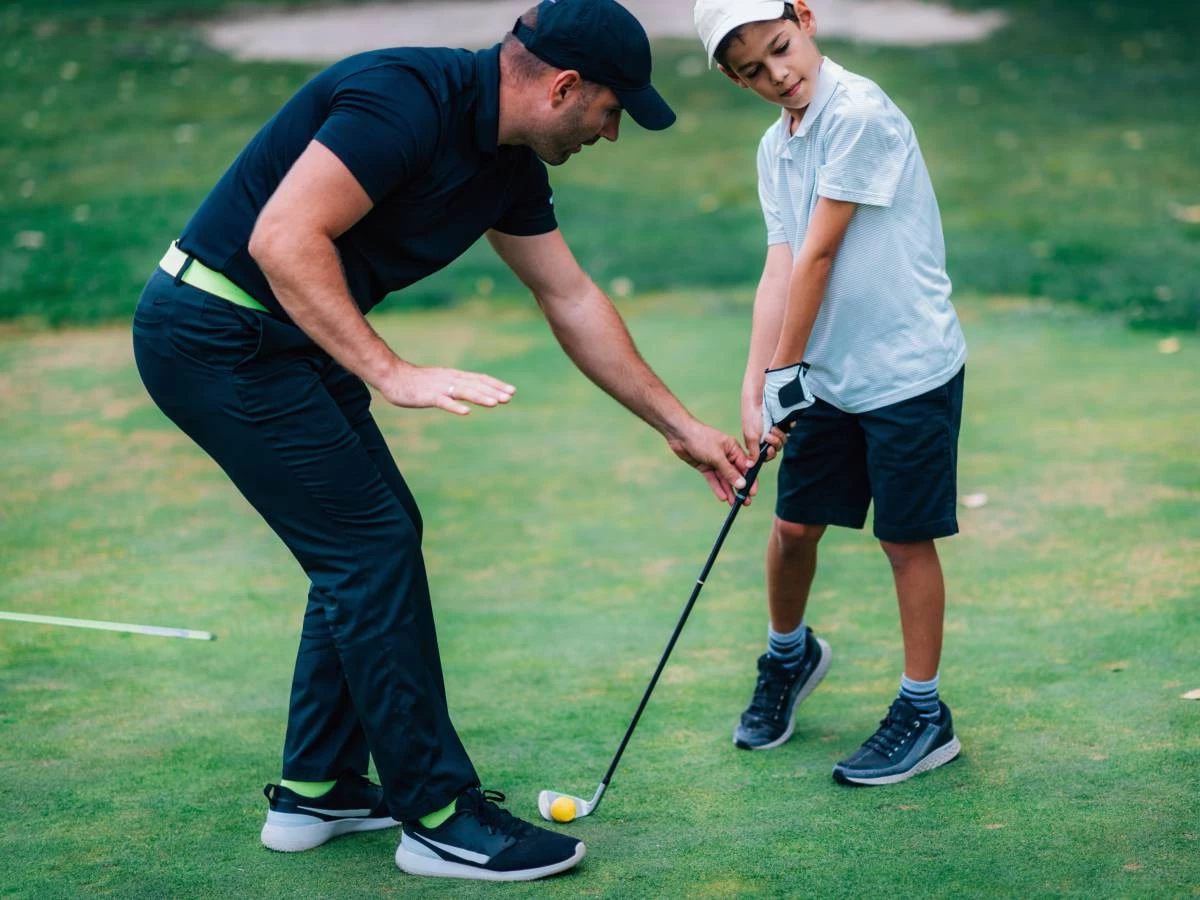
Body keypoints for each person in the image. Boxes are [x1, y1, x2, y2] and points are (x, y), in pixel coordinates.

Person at [132, 0, 753, 883]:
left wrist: (681, 426)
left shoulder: (507, 165)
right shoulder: (404, 96)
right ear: (565, 87)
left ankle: (319, 788)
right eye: (613, 112)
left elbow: (571, 298)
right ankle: (436, 817)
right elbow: (282, 237)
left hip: (288, 342)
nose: (613, 135)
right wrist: (391, 372)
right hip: (215, 333)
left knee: (372, 539)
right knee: (369, 546)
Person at [692, 0, 968, 785]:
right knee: (794, 526)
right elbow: (779, 267)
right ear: (733, 79)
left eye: (781, 48)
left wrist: (784, 376)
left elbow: (819, 255)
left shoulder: (860, 112)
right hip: (828, 376)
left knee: (903, 540)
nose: (778, 75)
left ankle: (924, 711)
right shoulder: (773, 148)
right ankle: (790, 655)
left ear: (804, 18)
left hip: (907, 369)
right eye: (751, 70)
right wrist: (756, 385)